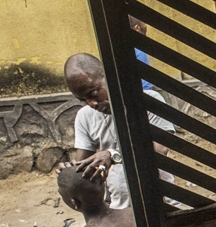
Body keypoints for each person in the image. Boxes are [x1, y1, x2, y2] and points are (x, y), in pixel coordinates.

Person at [65, 53, 180, 209]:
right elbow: (84, 166)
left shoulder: (149, 101)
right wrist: (70, 171)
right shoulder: (84, 117)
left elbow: (160, 149)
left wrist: (113, 155)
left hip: (163, 204)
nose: (91, 103)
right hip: (119, 210)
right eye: (83, 99)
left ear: (108, 76)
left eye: (93, 93)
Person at [129, 16, 154, 91]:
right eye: (144, 23)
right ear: (137, 28)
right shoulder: (138, 51)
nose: (146, 25)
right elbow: (146, 86)